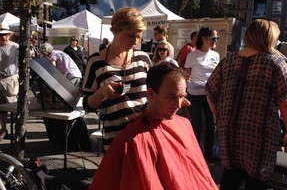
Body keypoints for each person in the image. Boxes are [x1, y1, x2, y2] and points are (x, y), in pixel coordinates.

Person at [88, 62, 217, 190]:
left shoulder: (184, 125)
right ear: (150, 94)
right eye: (171, 97)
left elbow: (199, 174)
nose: (178, 105)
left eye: (182, 97)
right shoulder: (132, 141)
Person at [205, 19, 287, 190]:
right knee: (256, 181)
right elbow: (285, 103)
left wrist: (218, 116)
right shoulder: (276, 63)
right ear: (270, 38)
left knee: (230, 174)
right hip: (260, 134)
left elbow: (210, 91)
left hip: (228, 130)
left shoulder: (228, 61)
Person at [82, 7, 152, 152]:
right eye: (130, 35)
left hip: (145, 134)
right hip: (115, 139)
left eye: (138, 37)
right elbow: (87, 105)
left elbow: (154, 92)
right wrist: (101, 93)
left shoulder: (143, 58)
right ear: (115, 29)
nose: (135, 41)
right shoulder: (95, 62)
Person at [184, 26, 220, 161]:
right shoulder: (192, 55)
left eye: (217, 38)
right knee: (197, 126)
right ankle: (196, 153)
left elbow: (217, 75)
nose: (215, 40)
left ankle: (209, 153)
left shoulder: (215, 55)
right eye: (213, 38)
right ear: (204, 39)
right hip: (195, 94)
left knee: (212, 125)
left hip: (211, 94)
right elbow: (186, 75)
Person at [0, 23, 19, 140]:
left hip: (10, 79)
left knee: (13, 106)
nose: (3, 37)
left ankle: (18, 129)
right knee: (1, 107)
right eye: (1, 35)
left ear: (9, 35)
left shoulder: (15, 47)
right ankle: (3, 129)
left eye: (6, 35)